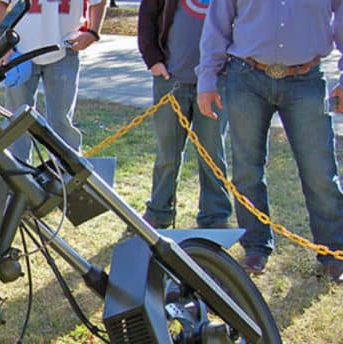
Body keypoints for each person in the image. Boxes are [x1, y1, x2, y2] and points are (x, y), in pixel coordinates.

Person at [197, 0, 343, 283]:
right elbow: (217, 25)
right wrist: (207, 79)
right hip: (246, 77)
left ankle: (334, 252)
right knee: (247, 170)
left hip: (307, 79)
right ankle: (255, 247)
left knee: (320, 171)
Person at [137, 0, 232, 229]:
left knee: (211, 153)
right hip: (171, 79)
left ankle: (215, 217)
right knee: (167, 152)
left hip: (216, 83)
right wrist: (153, 60)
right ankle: (159, 212)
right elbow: (147, 17)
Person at [0, 0, 106, 162]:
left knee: (61, 120)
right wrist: (1, 41)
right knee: (17, 119)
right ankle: (18, 176)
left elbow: (99, 2)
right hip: (20, 49)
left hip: (65, 47)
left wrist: (93, 32)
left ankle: (69, 174)